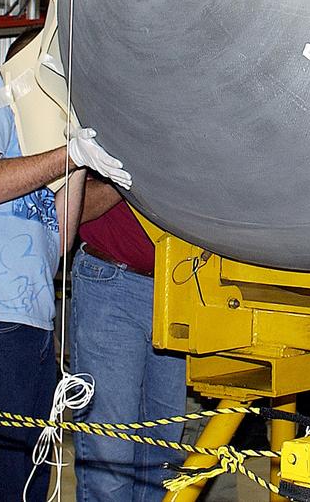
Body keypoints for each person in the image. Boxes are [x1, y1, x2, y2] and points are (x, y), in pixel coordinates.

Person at [0, 31, 129, 502]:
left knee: (28, 481)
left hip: (30, 327)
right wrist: (67, 154)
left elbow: (58, 240)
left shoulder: (39, 143)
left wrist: (75, 163)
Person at [71, 193, 186, 500]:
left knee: (165, 456)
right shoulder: (105, 143)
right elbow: (69, 207)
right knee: (110, 457)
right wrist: (128, 181)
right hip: (111, 281)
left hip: (178, 290)